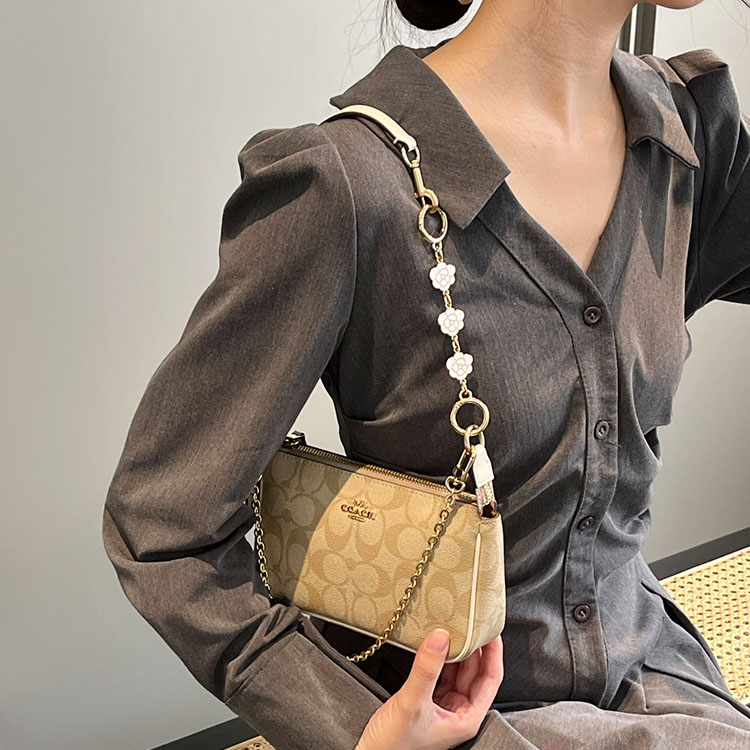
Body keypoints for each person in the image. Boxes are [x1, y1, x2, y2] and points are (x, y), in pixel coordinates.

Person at [102, 0, 750, 748]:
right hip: (456, 714)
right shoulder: (350, 187)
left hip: (656, 673)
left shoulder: (687, 137)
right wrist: (352, 727)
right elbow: (162, 526)